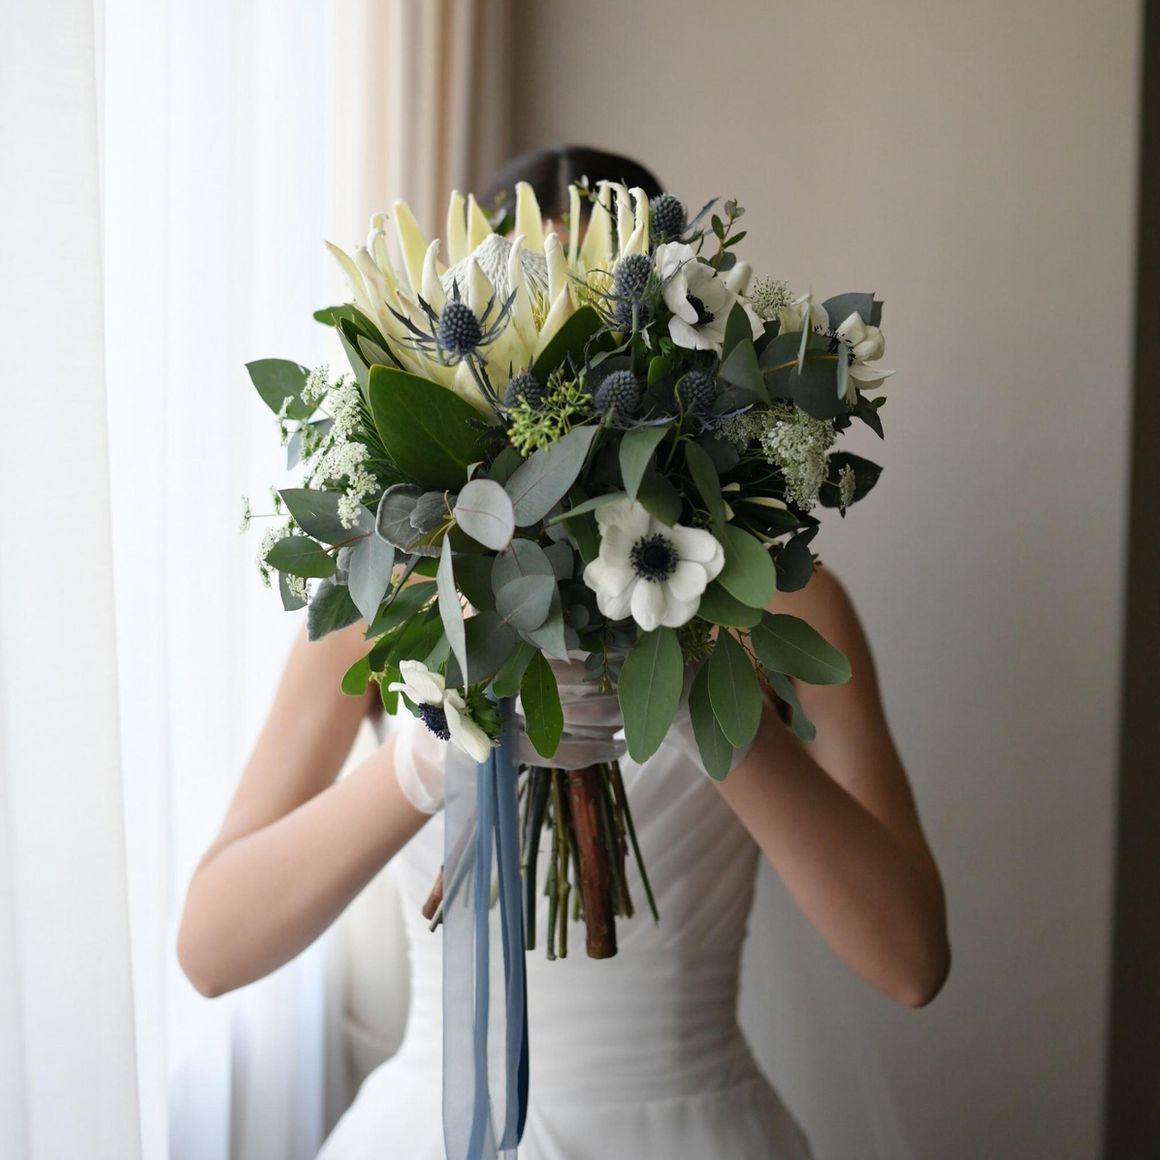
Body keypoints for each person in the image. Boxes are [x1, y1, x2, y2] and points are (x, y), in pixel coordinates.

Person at [176, 145, 951, 1159]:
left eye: (598, 312)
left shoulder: (778, 598)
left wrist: (699, 705)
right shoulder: (386, 594)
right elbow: (212, 947)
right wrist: (427, 761)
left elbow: (910, 962)